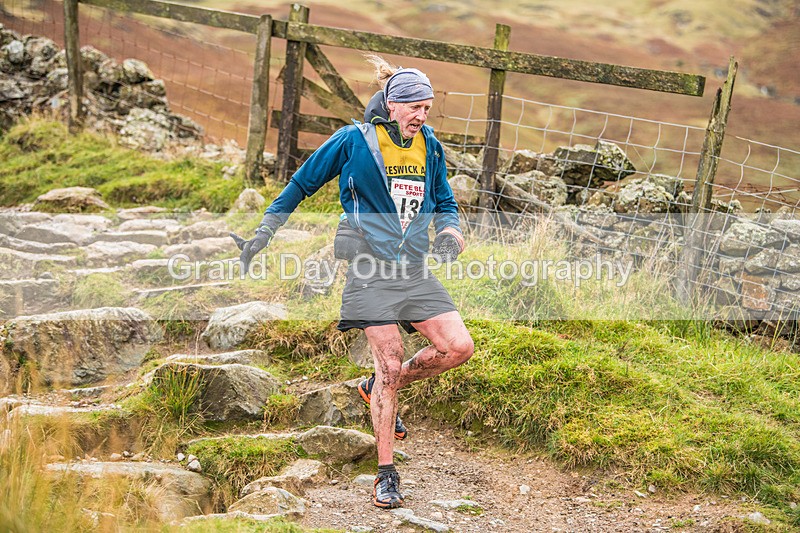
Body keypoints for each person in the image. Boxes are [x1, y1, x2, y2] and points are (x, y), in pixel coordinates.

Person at [233, 55, 474, 509]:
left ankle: (378, 388)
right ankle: (386, 474)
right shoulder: (353, 141)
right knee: (389, 363)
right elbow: (301, 184)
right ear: (391, 105)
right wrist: (264, 231)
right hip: (368, 270)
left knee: (458, 348)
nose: (422, 117)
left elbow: (445, 199)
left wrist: (450, 233)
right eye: (414, 108)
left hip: (414, 269)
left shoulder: (431, 146)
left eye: (428, 108)